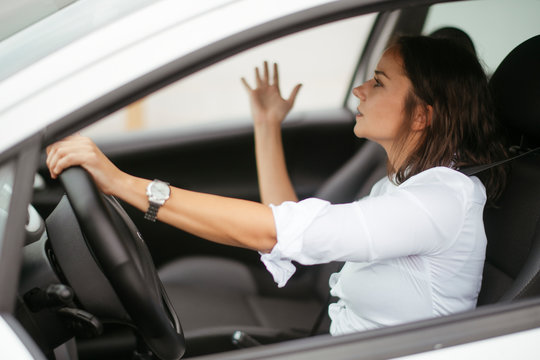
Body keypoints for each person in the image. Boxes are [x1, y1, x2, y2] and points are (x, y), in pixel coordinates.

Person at [46, 35, 507, 335]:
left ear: (422, 115)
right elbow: (291, 222)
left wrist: (123, 183)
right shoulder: (407, 187)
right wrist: (267, 125)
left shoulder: (440, 200)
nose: (359, 91)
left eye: (379, 82)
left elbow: (277, 229)